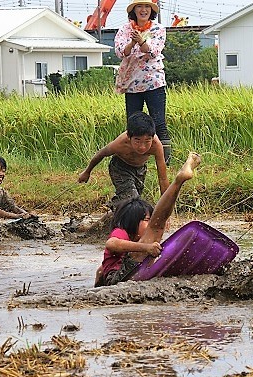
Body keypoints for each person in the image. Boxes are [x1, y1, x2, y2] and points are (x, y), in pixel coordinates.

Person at [95, 152, 200, 287]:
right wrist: (145, 247)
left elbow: (99, 272)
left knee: (158, 226)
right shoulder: (122, 231)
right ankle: (179, 180)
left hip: (124, 276)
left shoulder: (135, 241)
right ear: (132, 222)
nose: (149, 224)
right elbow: (111, 243)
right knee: (157, 226)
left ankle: (179, 181)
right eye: (146, 220)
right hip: (119, 279)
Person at [114, 0, 172, 164]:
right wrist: (133, 41)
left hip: (154, 81)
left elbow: (154, 51)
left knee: (159, 121)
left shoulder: (158, 29)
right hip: (131, 83)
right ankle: (134, 161)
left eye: (147, 7)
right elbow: (120, 52)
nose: (143, 10)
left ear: (151, 11)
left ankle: (165, 162)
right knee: (133, 123)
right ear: (134, 10)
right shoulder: (125, 29)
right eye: (139, 7)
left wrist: (141, 41)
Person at [78, 111, 169, 210]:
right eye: (137, 141)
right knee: (133, 201)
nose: (142, 147)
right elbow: (101, 154)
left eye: (147, 141)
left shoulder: (156, 145)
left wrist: (166, 208)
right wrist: (87, 172)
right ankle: (116, 210)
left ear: (152, 137)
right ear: (129, 137)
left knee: (129, 204)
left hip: (140, 170)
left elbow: (163, 178)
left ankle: (114, 207)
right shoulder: (120, 143)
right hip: (120, 168)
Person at [0, 154, 32, 223]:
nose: (2, 174)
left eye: (3, 171)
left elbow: (13, 207)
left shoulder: (0, 191)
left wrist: (26, 214)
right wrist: (17, 216)